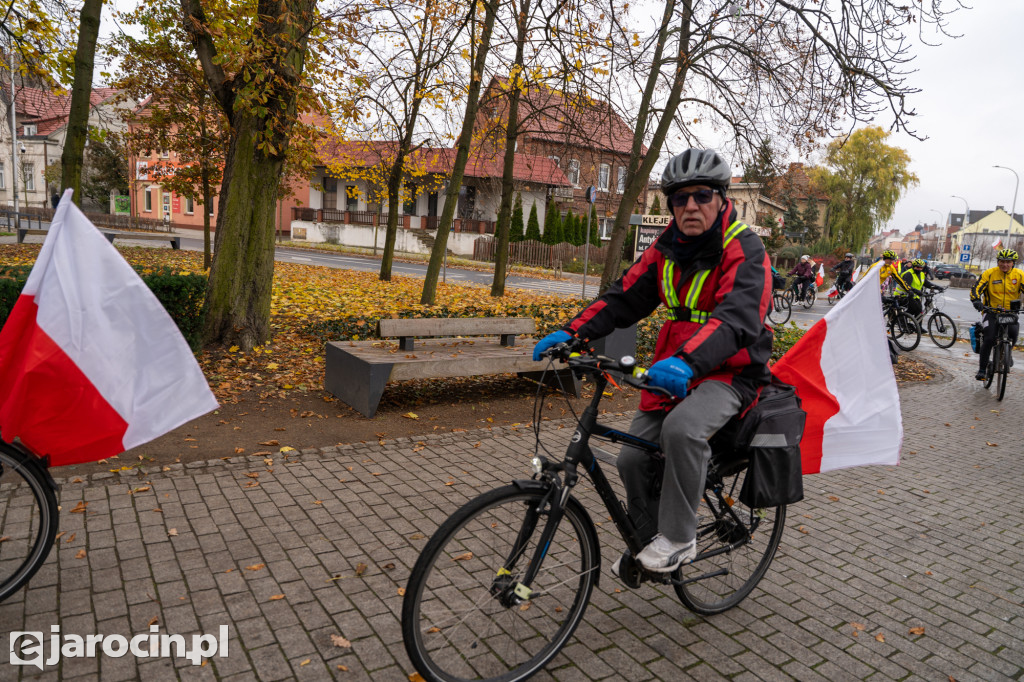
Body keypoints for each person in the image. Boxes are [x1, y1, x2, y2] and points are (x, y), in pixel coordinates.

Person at [533, 148, 773, 573]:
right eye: (680, 198)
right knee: (632, 458)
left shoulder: (744, 247)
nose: (690, 206)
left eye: (701, 196)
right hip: (676, 369)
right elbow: (623, 297)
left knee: (682, 430)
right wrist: (573, 332)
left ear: (721, 199)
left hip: (731, 371)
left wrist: (687, 361)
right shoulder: (666, 248)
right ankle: (647, 542)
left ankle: (679, 539)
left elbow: (738, 318)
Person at [969, 249, 1024, 380]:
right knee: (989, 338)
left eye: (1008, 262)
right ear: (998, 262)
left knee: (1013, 333)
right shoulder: (989, 273)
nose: (1005, 265)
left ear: (1013, 263)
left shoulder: (1019, 275)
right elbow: (977, 288)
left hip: (1010, 312)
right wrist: (976, 300)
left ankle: (1007, 353)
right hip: (991, 312)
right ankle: (982, 370)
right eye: (1002, 262)